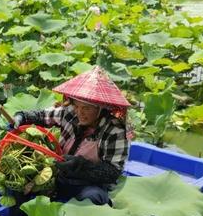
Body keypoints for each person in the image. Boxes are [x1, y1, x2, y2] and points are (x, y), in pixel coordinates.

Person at [12, 66, 131, 205]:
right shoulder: (69, 113)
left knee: (93, 198)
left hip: (90, 184)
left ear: (100, 109)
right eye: (77, 106)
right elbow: (40, 116)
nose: (80, 113)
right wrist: (21, 117)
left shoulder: (115, 130)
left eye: (86, 108)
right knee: (20, 186)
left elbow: (112, 172)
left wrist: (81, 166)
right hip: (59, 175)